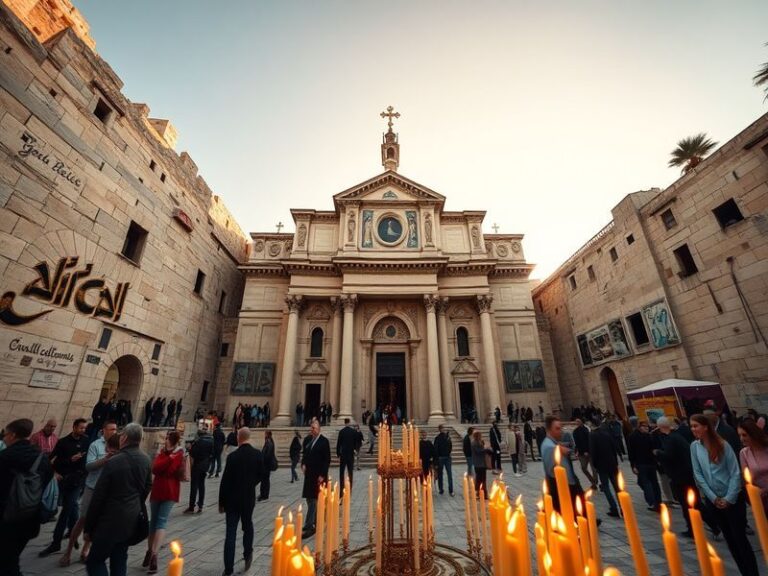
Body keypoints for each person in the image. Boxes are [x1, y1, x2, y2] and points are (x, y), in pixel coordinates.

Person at [690, 414, 759, 576]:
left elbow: (735, 472)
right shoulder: (695, 447)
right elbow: (698, 473)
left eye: (696, 426)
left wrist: (729, 498)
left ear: (705, 427)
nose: (693, 429)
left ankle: (752, 572)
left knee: (740, 538)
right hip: (713, 500)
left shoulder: (722, 444)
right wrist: (712, 497)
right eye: (691, 426)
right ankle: (743, 571)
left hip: (732, 498)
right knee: (730, 539)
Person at [84, 422, 152, 576]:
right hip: (131, 518)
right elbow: (147, 487)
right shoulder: (146, 459)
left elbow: (99, 496)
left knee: (95, 561)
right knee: (119, 557)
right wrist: (135, 502)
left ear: (124, 438)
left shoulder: (114, 461)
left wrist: (89, 527)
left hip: (109, 519)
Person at [59, 420, 119, 567]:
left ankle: (85, 550)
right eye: (111, 429)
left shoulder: (119, 445)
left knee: (97, 521)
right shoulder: (95, 445)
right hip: (92, 488)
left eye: (115, 429)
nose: (114, 432)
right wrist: (105, 459)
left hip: (106, 490)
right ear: (103, 430)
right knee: (83, 518)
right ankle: (68, 551)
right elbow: (89, 466)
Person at [0, 418, 53, 576]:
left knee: (7, 564)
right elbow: (47, 479)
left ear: (13, 435)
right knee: (12, 558)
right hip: (29, 516)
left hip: (6, 518)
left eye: (5, 434)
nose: (4, 438)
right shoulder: (41, 457)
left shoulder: (5, 456)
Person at [39, 417, 90, 557]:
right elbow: (51, 460)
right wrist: (57, 471)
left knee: (66, 510)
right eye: (81, 428)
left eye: (85, 428)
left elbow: (88, 462)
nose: (83, 430)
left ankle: (56, 542)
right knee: (73, 508)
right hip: (63, 479)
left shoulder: (86, 442)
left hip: (77, 481)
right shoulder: (63, 442)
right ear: (74, 427)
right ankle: (73, 535)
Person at [219, 428, 263, 576]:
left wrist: (221, 502)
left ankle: (228, 569)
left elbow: (225, 481)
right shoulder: (257, 454)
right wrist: (251, 484)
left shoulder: (232, 457)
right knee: (247, 526)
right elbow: (262, 474)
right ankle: (248, 553)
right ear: (249, 437)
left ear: (239, 438)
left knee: (230, 533)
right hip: (248, 498)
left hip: (232, 500)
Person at [144, 430, 184, 574]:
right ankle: (150, 551)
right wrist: (169, 459)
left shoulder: (178, 454)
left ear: (170, 440)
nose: (164, 441)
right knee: (154, 522)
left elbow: (168, 470)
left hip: (168, 490)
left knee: (160, 521)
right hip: (159, 490)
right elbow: (155, 469)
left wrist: (168, 459)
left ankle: (153, 554)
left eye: (166, 438)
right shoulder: (165, 453)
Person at [654, 416, 695, 536]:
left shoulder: (671, 439)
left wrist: (658, 453)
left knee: (687, 503)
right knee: (693, 502)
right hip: (686, 473)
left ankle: (694, 528)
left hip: (680, 475)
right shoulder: (677, 436)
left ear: (660, 427)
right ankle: (706, 525)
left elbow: (669, 456)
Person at [541, 416, 583, 514]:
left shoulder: (551, 444)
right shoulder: (550, 447)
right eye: (557, 428)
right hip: (563, 488)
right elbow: (553, 472)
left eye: (560, 428)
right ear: (549, 430)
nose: (560, 431)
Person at [301, 420, 330, 539]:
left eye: (314, 428)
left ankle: (309, 526)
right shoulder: (309, 441)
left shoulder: (324, 441)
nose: (312, 430)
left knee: (313, 500)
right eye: (311, 428)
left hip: (318, 476)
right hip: (309, 476)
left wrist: (322, 475)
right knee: (310, 499)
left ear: (319, 429)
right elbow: (305, 455)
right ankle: (316, 521)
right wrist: (303, 464)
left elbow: (327, 459)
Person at [627, 420, 661, 512]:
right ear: (639, 427)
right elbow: (631, 452)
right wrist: (633, 465)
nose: (646, 428)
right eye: (644, 427)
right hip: (641, 463)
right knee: (646, 482)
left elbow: (654, 449)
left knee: (651, 483)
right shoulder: (633, 437)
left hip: (649, 463)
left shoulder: (649, 436)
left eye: (647, 427)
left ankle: (655, 502)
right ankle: (655, 501)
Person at [589, 421, 621, 517]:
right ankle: (622, 507)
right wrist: (616, 462)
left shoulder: (592, 436)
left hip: (601, 465)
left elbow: (593, 451)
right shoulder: (607, 433)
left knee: (606, 487)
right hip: (612, 464)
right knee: (617, 487)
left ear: (592, 426)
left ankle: (614, 508)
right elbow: (614, 448)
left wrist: (594, 465)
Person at [738, 419, 768, 512]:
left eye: (744, 435)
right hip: (761, 499)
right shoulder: (744, 453)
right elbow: (746, 478)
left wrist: (765, 490)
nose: (741, 439)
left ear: (753, 434)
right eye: (739, 435)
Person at [185, 427, 213, 514]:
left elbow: (192, 454)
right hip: (205, 465)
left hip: (197, 465)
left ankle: (191, 506)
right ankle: (200, 505)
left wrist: (189, 448)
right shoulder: (211, 442)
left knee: (194, 486)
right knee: (202, 485)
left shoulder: (198, 442)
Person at [572, 419, 598, 490]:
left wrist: (587, 450)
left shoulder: (586, 429)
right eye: (576, 422)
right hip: (581, 453)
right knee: (583, 468)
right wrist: (577, 451)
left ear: (581, 422)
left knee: (593, 468)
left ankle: (595, 482)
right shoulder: (575, 432)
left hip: (589, 452)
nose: (577, 423)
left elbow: (589, 441)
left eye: (578, 421)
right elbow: (576, 443)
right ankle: (593, 481)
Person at [336, 418, 357, 488]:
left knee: (341, 471)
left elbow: (338, 444)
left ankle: (342, 486)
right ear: (349, 422)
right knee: (350, 471)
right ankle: (350, 486)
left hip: (343, 454)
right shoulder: (353, 431)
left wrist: (338, 454)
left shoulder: (341, 432)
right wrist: (355, 449)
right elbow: (355, 442)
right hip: (350, 454)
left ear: (344, 423)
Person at [434, 424, 454, 495]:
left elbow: (450, 446)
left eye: (443, 428)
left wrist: (448, 452)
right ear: (439, 429)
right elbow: (436, 449)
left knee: (449, 474)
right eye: (441, 428)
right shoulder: (438, 438)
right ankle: (441, 489)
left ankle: (450, 490)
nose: (442, 429)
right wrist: (436, 459)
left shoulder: (447, 437)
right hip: (441, 458)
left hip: (447, 457)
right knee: (441, 474)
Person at [471, 430, 489, 496]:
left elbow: (481, 449)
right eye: (480, 435)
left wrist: (484, 446)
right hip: (478, 463)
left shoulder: (480, 442)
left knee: (483, 478)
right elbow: (478, 451)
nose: (481, 436)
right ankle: (480, 492)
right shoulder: (474, 443)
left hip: (482, 463)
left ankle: (483, 492)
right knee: (479, 478)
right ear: (477, 436)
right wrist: (486, 449)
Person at [259, 430, 276, 501]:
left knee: (265, 480)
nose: (264, 435)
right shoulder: (268, 442)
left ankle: (264, 495)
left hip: (266, 465)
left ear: (267, 435)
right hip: (266, 464)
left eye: (265, 434)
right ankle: (264, 494)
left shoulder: (269, 442)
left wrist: (263, 460)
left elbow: (268, 454)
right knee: (265, 480)